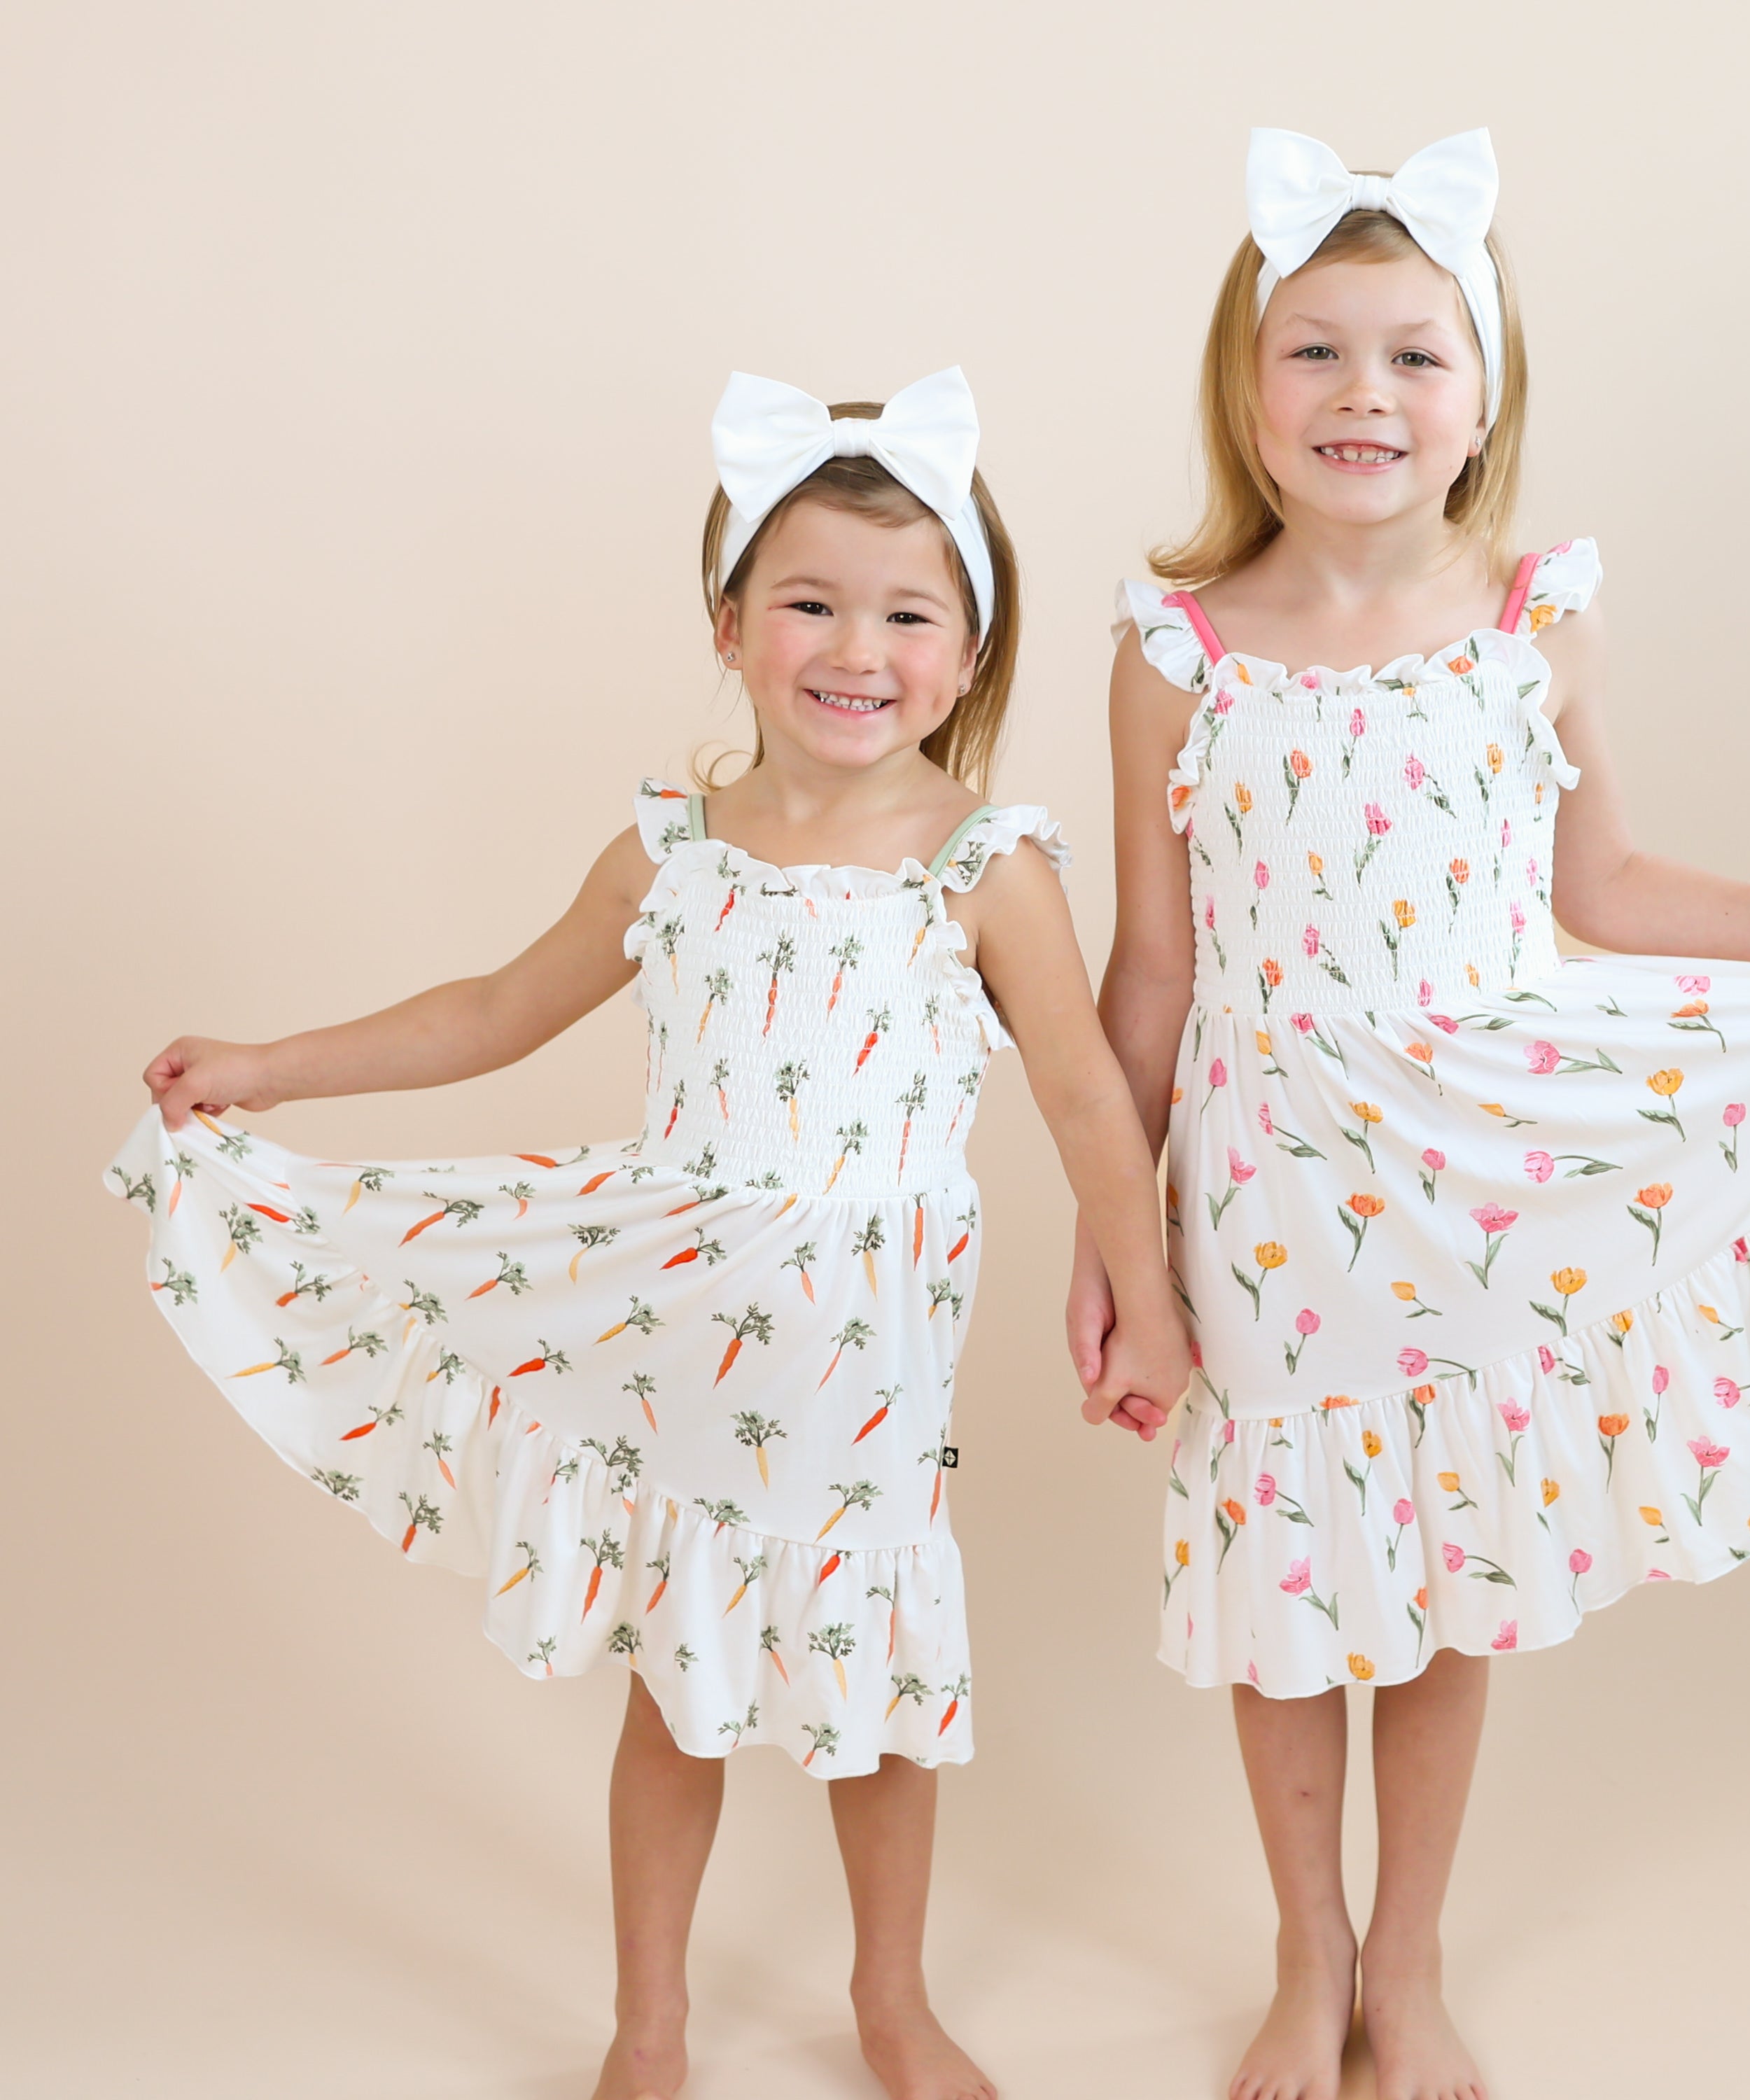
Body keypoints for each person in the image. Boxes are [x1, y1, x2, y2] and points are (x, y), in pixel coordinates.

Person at [110, 367, 1189, 2100]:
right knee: (671, 1687)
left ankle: (891, 2004)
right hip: (685, 1332)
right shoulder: (670, 853)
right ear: (731, 622)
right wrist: (270, 1066)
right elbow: (487, 1012)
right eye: (812, 602)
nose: (859, 647)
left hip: (863, 1368)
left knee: (873, 1698)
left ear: (970, 652)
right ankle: (651, 2023)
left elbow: (1085, 1107)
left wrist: (1149, 1307)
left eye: (910, 612)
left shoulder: (988, 864)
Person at [1069, 130, 1750, 2100]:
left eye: (1415, 357)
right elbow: (1149, 976)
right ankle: (1303, 1954)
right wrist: (1114, 1228)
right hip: (1273, 1184)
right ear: (1247, 386)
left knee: (1443, 1564)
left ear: (1484, 393)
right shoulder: (1177, 658)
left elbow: (1611, 890)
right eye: (1315, 354)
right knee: (1297, 1575)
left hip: (1481, 1158)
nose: (1363, 398)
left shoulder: (1530, 621)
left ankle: (1408, 1961)